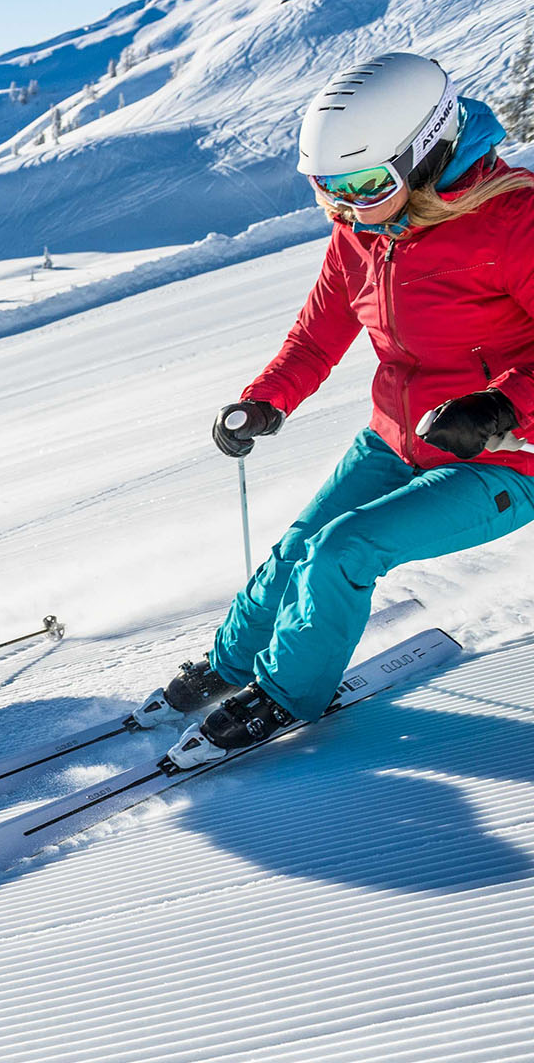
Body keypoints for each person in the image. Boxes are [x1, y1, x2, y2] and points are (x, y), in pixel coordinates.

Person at [162, 53, 534, 768]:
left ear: (426, 153)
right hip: (397, 438)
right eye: (327, 190)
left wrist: (501, 407)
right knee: (300, 546)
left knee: (344, 551)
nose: (345, 207)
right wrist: (265, 400)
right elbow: (318, 333)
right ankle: (230, 663)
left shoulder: (513, 221)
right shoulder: (364, 231)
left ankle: (285, 694)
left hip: (505, 456)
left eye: (364, 186)